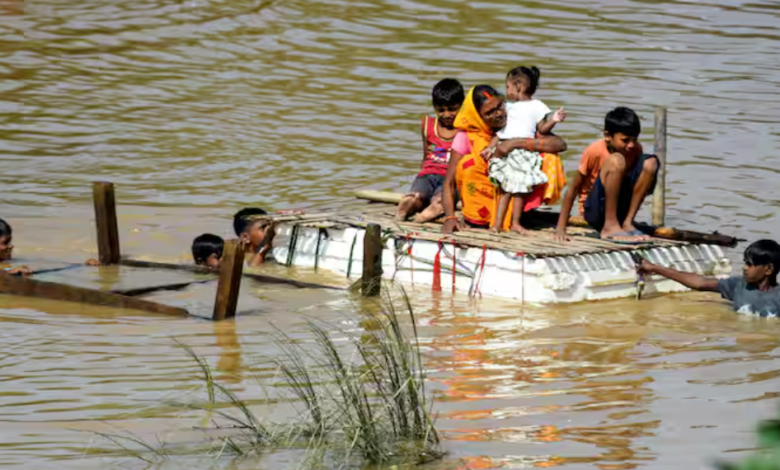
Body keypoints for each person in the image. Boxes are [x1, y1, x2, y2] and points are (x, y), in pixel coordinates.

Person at [441, 85, 567, 234]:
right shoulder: (466, 137)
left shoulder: (517, 125)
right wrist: (450, 218)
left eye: (500, 106)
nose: (499, 114)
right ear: (478, 116)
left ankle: (517, 220)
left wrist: (514, 143)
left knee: (550, 157)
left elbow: (559, 144)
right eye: (489, 113)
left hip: (518, 209)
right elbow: (448, 183)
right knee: (468, 165)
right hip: (477, 219)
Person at [555, 107, 659, 243]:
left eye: (635, 139)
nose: (631, 145)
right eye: (625, 140)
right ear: (608, 136)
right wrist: (561, 228)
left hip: (620, 207)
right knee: (616, 160)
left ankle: (627, 223)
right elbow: (573, 188)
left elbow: (636, 181)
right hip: (596, 210)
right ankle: (610, 225)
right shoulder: (595, 151)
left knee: (651, 162)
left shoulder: (635, 149)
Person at [483, 66, 566, 234]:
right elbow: (500, 133)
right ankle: (497, 225)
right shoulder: (508, 106)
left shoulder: (537, 106)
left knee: (520, 190)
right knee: (505, 189)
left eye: (508, 86)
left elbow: (542, 129)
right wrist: (490, 147)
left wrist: (554, 120)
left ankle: (515, 223)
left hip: (524, 153)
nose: (506, 90)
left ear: (518, 86)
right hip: (506, 151)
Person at [637, 240, 780, 317]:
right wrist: (655, 268)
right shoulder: (738, 285)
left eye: (750, 264)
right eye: (744, 263)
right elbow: (700, 283)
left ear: (768, 269)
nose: (745, 268)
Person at [396, 78, 465, 222]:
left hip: (451, 179)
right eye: (441, 110)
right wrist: (421, 173)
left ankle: (424, 213)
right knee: (419, 194)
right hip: (428, 174)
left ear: (462, 106)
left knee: (441, 197)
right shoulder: (428, 126)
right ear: (434, 107)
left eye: (452, 109)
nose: (446, 115)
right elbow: (426, 155)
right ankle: (410, 205)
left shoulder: (467, 130)